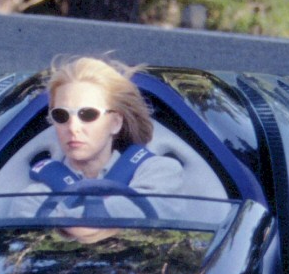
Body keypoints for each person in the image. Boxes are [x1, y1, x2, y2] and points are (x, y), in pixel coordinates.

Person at [22, 55, 182, 225]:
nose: (73, 127)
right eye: (61, 115)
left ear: (115, 122)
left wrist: (65, 217)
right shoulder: (34, 197)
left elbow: (150, 213)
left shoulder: (159, 171)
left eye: (88, 114)